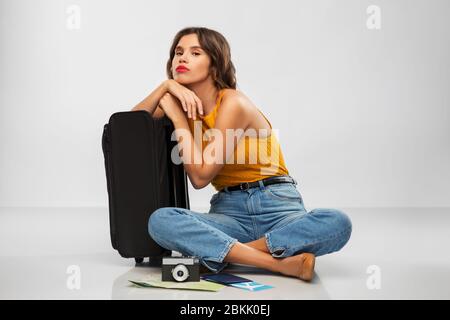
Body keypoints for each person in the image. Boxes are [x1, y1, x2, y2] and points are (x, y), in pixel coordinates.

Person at [132, 27, 352, 281]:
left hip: (277, 207)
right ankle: (278, 264)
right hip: (229, 214)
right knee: (161, 220)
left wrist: (178, 118)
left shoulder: (233, 102)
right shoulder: (179, 105)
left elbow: (201, 177)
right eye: (178, 53)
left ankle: (228, 253)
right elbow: (128, 129)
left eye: (195, 53)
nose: (182, 58)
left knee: (337, 222)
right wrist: (164, 88)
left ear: (215, 65)